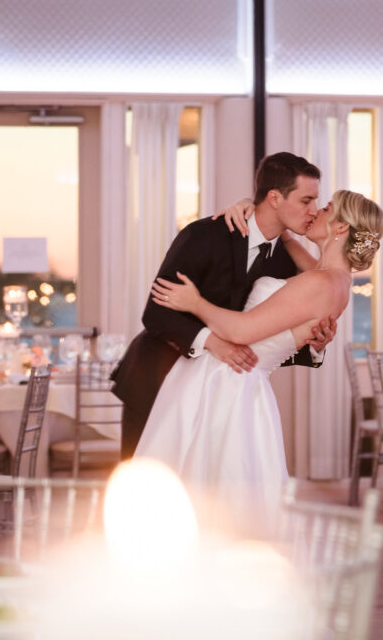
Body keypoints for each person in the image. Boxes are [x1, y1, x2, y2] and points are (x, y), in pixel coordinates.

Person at [134, 189, 383, 521]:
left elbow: (240, 332)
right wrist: (252, 209)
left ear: (340, 228)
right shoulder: (330, 276)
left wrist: (195, 303)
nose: (314, 213)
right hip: (239, 387)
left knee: (202, 496)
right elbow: (288, 240)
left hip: (224, 385)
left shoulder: (322, 283)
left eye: (325, 209)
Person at [111, 152, 338, 460]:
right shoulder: (205, 235)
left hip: (218, 397)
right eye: (305, 200)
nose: (313, 211)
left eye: (316, 202)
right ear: (274, 197)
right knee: (144, 486)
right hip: (156, 377)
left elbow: (265, 340)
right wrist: (213, 343)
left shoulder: (288, 262)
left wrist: (313, 346)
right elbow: (156, 313)